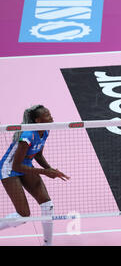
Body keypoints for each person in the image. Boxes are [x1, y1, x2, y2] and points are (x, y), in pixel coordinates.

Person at [0, 105, 69, 246]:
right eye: (48, 116)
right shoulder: (28, 135)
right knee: (23, 215)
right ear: (38, 120)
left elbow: (37, 154)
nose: (52, 117)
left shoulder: (46, 130)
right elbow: (16, 166)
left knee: (47, 205)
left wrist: (50, 169)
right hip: (9, 168)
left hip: (25, 164)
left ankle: (47, 244)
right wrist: (45, 172)